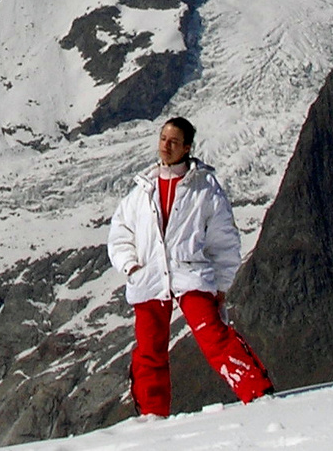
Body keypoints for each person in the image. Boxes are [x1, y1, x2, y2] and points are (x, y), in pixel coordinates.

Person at [107, 117, 273, 415]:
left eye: (173, 141)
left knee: (214, 337)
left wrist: (221, 285)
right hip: (150, 278)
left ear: (187, 147)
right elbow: (120, 233)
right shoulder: (141, 190)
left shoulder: (204, 189)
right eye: (162, 138)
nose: (165, 146)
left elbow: (223, 241)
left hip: (190, 274)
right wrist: (131, 267)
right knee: (149, 351)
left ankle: (257, 392)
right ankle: (151, 415)